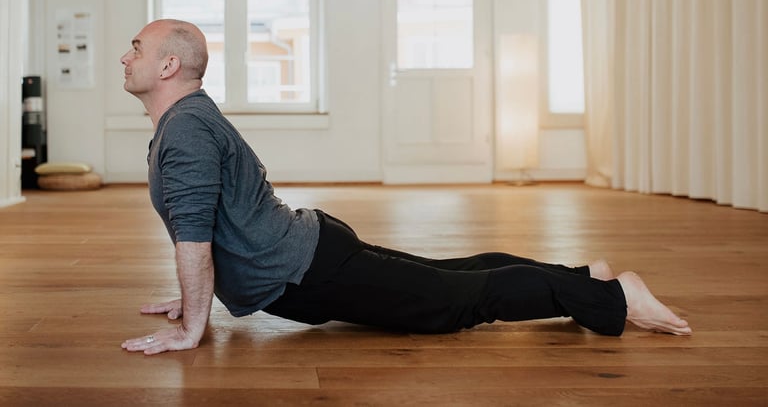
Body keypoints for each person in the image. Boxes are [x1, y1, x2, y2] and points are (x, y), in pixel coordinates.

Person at [120, 19, 691, 355]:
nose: (126, 57)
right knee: (455, 275)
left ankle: (617, 297)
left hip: (310, 268)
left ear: (169, 66)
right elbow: (213, 228)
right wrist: (200, 293)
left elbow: (195, 239)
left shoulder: (185, 129)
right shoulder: (187, 119)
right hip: (312, 253)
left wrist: (193, 327)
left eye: (136, 49)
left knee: (458, 301)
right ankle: (585, 278)